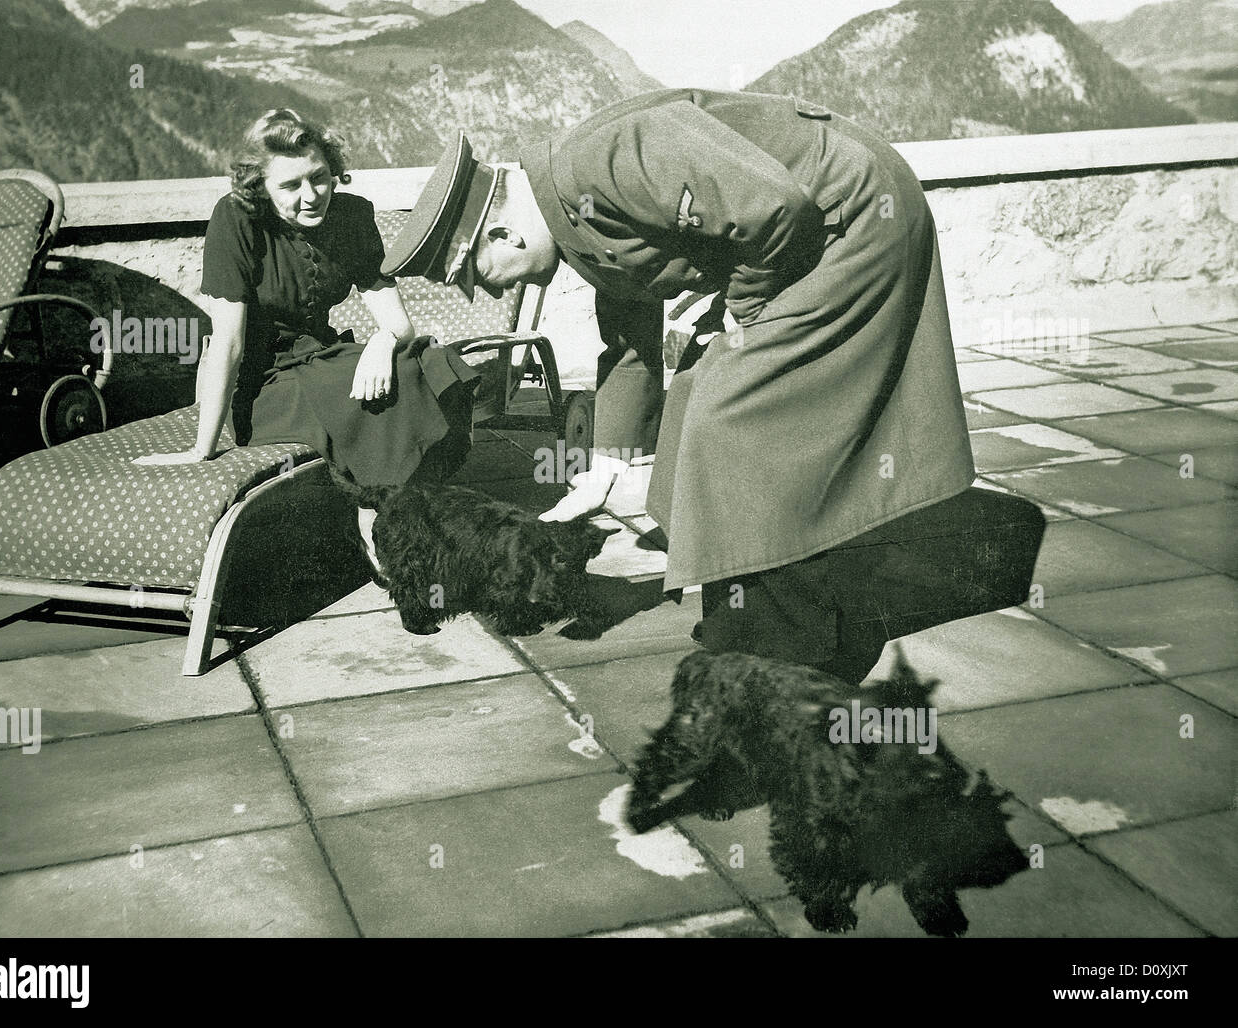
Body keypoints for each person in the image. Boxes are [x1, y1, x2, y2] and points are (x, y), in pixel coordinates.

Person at [382, 89, 976, 683]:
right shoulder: (571, 210)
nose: (489, 293)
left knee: (735, 426)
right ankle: (751, 609)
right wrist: (607, 471)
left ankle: (787, 641)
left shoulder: (603, 161)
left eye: (475, 277)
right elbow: (629, 343)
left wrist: (741, 308)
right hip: (811, 233)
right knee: (694, 402)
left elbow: (775, 210)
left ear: (502, 234)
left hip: (854, 219)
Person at [135, 109, 480, 572]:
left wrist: (382, 344)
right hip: (264, 385)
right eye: (290, 185)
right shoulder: (237, 220)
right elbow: (228, 344)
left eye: (319, 177)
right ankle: (382, 521)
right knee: (380, 389)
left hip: (323, 356)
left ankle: (384, 511)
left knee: (426, 363)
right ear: (260, 186)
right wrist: (203, 445)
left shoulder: (352, 214)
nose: (311, 195)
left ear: (333, 169)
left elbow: (400, 325)